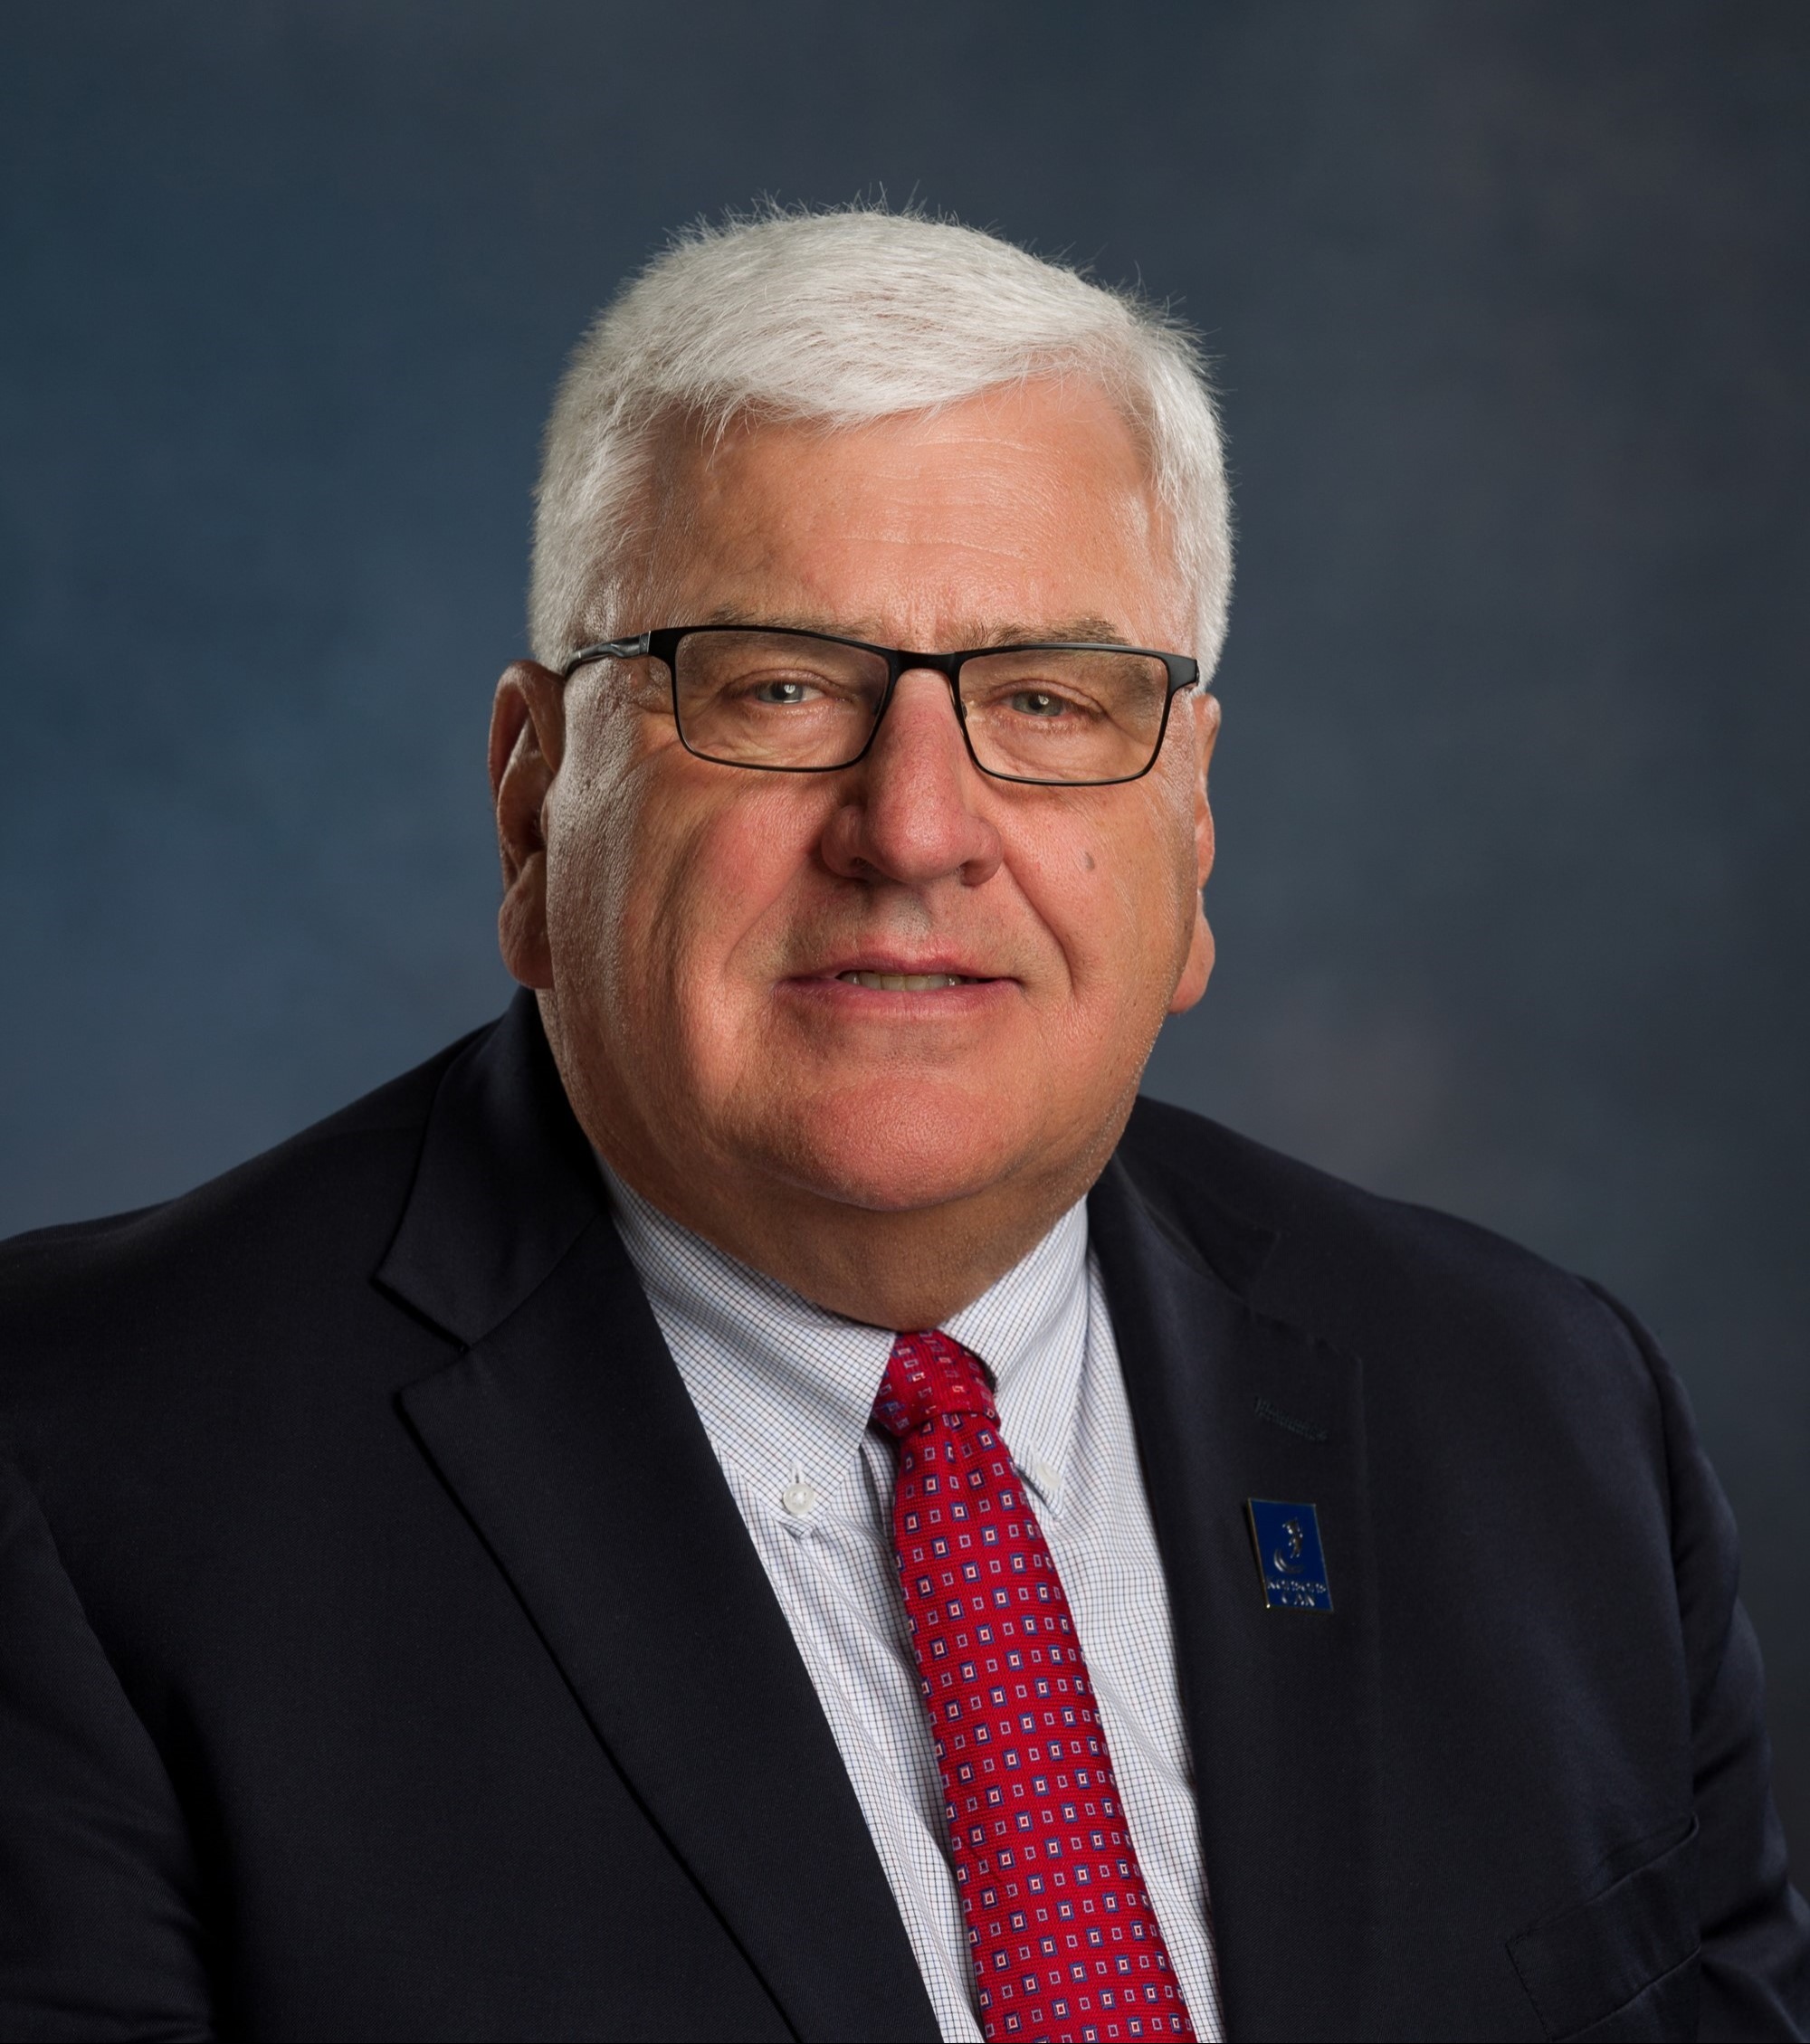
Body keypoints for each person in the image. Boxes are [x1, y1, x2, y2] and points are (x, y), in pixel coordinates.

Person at [1, 205, 1804, 2044]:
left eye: (1045, 695)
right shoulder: (77, 1478)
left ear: (1188, 836)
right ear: (536, 809)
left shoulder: (1546, 1414)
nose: (917, 824)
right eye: (776, 684)